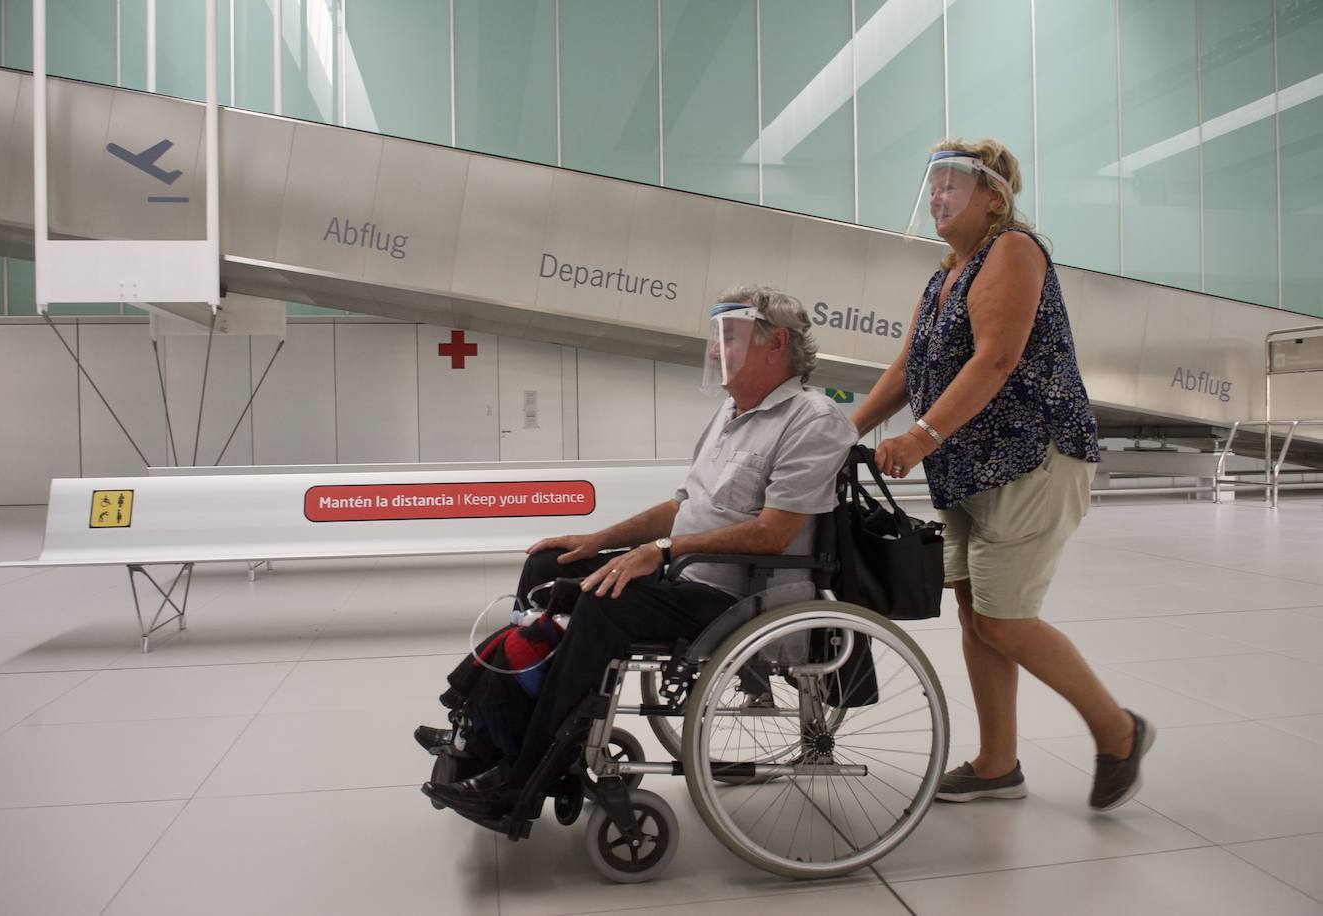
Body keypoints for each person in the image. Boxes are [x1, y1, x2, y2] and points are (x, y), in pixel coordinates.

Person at [421, 286, 860, 820]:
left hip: (738, 597)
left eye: (731, 338)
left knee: (607, 601)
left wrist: (661, 550)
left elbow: (772, 534)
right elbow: (683, 505)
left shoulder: (812, 420)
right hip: (684, 570)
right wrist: (599, 540)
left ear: (776, 344)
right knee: (550, 565)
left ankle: (520, 780)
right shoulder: (730, 413)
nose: (717, 351)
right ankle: (499, 727)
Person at [850, 138, 1153, 812]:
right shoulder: (943, 276)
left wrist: (922, 436)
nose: (936, 195)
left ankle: (1119, 731)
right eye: (932, 184)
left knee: (1007, 620)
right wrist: (841, 432)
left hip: (1031, 458)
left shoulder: (1014, 250)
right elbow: (907, 371)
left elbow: (996, 359)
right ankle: (996, 764)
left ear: (993, 195)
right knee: (975, 614)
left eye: (952, 183)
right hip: (968, 471)